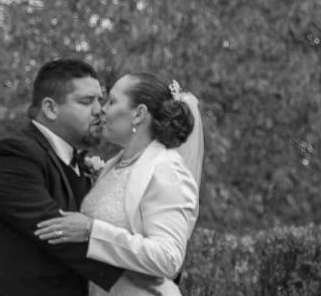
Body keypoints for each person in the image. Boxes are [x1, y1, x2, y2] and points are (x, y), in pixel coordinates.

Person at [0, 58, 126, 296]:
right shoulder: (11, 157)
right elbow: (58, 233)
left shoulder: (79, 164)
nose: (100, 109)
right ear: (50, 108)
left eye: (100, 100)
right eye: (86, 101)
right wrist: (140, 271)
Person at [34, 74, 202, 296]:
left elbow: (168, 258)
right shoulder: (114, 166)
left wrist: (90, 231)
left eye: (112, 102)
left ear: (139, 114)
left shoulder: (166, 170)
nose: (101, 109)